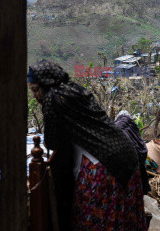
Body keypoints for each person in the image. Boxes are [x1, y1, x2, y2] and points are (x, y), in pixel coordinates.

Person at [27, 60, 147, 231]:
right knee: (124, 219)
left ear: (45, 84)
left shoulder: (52, 98)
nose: (35, 96)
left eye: (36, 90)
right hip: (127, 154)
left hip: (102, 165)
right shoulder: (74, 89)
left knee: (94, 219)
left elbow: (52, 141)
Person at [114, 110, 150, 194]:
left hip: (119, 173)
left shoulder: (115, 127)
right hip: (136, 170)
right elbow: (143, 150)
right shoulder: (132, 127)